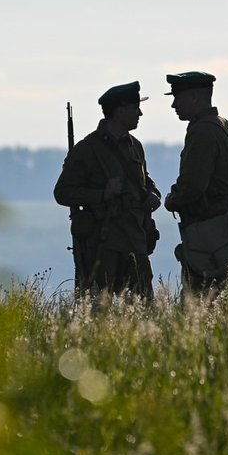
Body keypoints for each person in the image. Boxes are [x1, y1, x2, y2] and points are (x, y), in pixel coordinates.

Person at [54, 81, 161, 299]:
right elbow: (63, 192)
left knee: (145, 310)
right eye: (134, 108)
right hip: (103, 245)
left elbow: (144, 181)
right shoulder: (86, 150)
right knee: (96, 312)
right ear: (119, 111)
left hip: (134, 240)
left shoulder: (135, 146)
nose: (140, 113)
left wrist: (153, 195)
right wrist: (102, 194)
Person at [163, 71, 228, 293]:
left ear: (194, 97)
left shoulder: (202, 132)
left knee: (199, 300)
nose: (174, 105)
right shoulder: (224, 126)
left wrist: (172, 200)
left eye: (177, 97)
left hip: (210, 230)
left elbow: (193, 187)